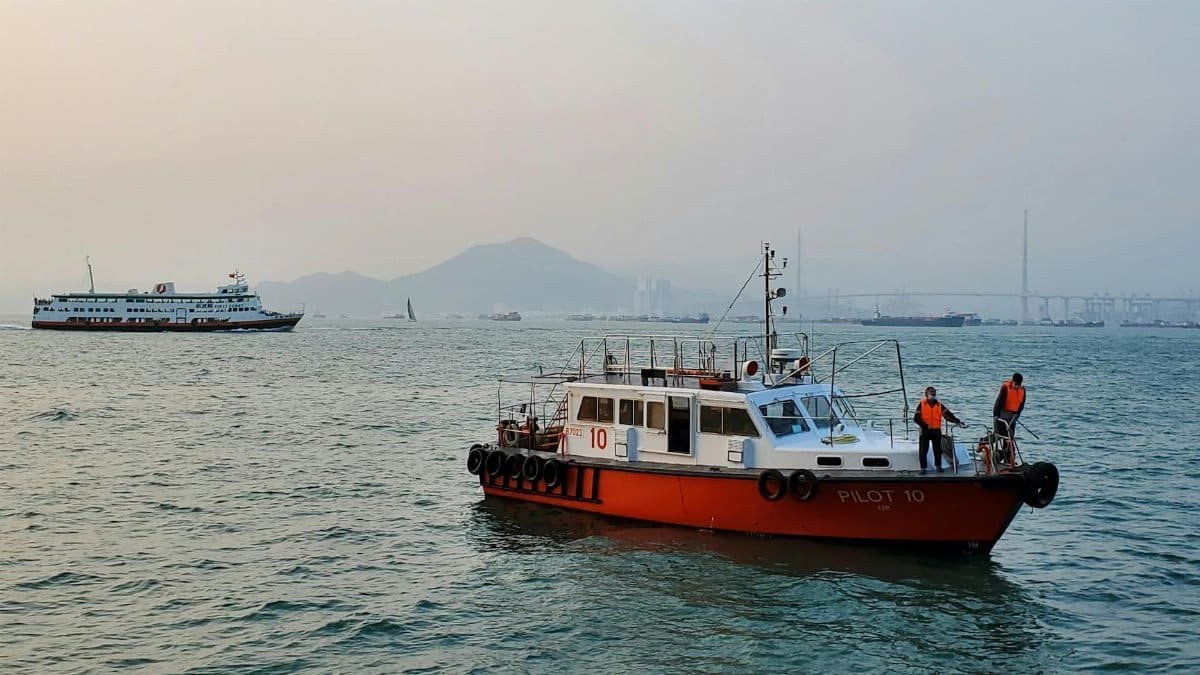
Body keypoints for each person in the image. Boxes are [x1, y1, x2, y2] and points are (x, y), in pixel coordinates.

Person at [913, 386, 966, 474]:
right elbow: (916, 418)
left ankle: (938, 466)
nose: (932, 394)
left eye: (934, 392)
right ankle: (923, 468)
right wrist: (925, 425)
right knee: (923, 450)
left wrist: (958, 421)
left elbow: (948, 415)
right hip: (925, 431)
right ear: (926, 394)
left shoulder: (939, 405)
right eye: (931, 392)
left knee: (937, 450)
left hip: (936, 430)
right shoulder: (921, 404)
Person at [993, 373, 1026, 441]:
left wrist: (1017, 414)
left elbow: (1022, 404)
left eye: (1018, 385)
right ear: (1013, 381)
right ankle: (983, 442)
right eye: (1015, 384)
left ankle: (1006, 451)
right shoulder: (1005, 387)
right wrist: (996, 415)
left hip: (1013, 416)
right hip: (1003, 414)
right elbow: (998, 402)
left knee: (1010, 437)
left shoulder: (1022, 390)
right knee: (999, 435)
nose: (1016, 387)